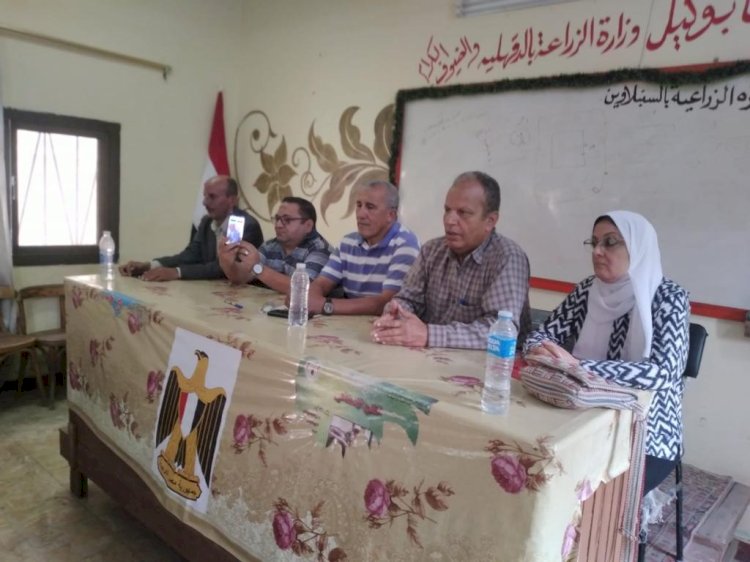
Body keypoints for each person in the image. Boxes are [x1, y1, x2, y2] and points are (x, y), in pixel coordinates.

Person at [523, 210, 689, 495]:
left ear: (637, 248)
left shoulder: (668, 297)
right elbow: (542, 333)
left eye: (610, 242)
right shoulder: (588, 289)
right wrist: (540, 347)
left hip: (646, 432)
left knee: (588, 496)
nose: (598, 251)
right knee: (535, 469)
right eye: (594, 242)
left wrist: (578, 366)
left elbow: (663, 373)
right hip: (582, 414)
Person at [370, 171, 531, 349]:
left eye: (463, 213)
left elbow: (501, 331)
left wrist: (429, 334)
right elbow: (408, 300)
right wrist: (396, 314)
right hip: (431, 357)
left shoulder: (507, 258)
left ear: (490, 221)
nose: (450, 220)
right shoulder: (431, 251)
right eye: (447, 210)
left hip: (488, 364)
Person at [306, 180, 420, 316]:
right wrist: (307, 298)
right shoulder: (348, 242)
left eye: (370, 207)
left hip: (383, 325)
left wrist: (326, 305)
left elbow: (388, 303)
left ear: (391, 215)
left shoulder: (405, 244)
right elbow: (322, 283)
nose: (360, 214)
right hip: (349, 322)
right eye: (359, 205)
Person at [119, 176, 263, 281]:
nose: (204, 202)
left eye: (212, 197)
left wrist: (177, 272)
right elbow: (190, 255)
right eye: (205, 196)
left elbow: (225, 268)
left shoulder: (245, 225)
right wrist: (150, 265)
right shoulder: (207, 222)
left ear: (231, 200)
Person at [218, 196, 334, 293]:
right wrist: (227, 262)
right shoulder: (270, 246)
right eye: (277, 219)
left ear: (308, 225)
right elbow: (242, 278)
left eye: (287, 220)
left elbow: (304, 290)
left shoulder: (320, 250)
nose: (278, 225)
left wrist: (257, 268)